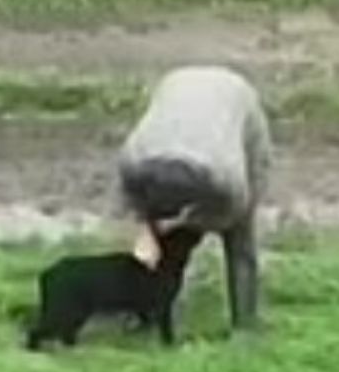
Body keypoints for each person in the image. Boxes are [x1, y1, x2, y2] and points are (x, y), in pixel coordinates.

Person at [115, 65, 271, 332]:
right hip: (176, 86)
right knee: (160, 248)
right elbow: (135, 216)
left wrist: (189, 228)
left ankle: (246, 326)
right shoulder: (132, 161)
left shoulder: (227, 179)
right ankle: (150, 318)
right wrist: (154, 237)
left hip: (234, 96)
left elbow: (232, 218)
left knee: (240, 243)